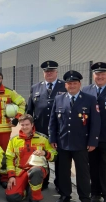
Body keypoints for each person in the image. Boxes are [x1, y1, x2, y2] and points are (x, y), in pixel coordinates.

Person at [49, 70, 100, 202]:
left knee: (83, 172)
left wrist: (93, 141)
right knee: (63, 171)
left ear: (79, 84)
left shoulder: (89, 99)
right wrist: (52, 138)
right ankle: (65, 195)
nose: (72, 86)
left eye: (74, 83)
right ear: (65, 85)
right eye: (69, 83)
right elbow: (53, 121)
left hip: (81, 143)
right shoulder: (59, 99)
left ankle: (84, 199)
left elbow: (95, 123)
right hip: (62, 142)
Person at [26, 60, 66, 191]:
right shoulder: (35, 87)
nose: (49, 73)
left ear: (56, 72)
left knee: (60, 158)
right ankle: (43, 181)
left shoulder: (64, 86)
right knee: (41, 156)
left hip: (59, 129)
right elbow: (29, 110)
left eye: (52, 71)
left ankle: (60, 184)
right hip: (40, 129)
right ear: (43, 73)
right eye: (46, 71)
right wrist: (29, 127)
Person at [5, 114, 57, 202]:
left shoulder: (43, 138)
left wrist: (45, 153)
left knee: (36, 172)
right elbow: (9, 159)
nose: (24, 127)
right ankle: (26, 189)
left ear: (32, 124)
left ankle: (35, 198)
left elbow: (54, 156)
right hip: (20, 171)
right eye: (22, 125)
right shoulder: (14, 140)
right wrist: (11, 176)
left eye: (27, 124)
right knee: (12, 197)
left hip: (37, 169)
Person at [81, 62, 106, 202]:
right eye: (97, 74)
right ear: (93, 75)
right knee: (92, 165)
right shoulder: (86, 90)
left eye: (103, 74)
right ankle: (95, 193)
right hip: (90, 136)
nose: (100, 76)